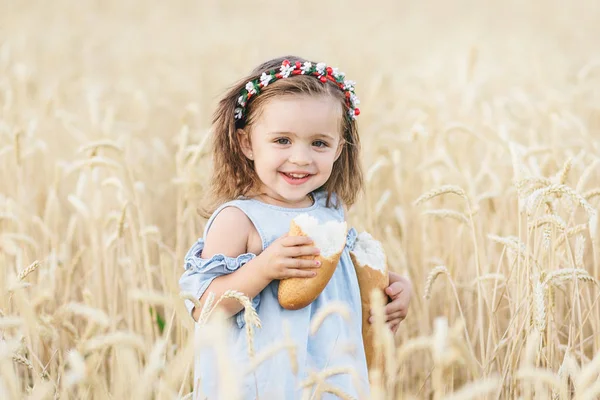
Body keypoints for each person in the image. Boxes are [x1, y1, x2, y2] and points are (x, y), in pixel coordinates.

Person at [179, 55, 412, 399]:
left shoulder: (330, 212)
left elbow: (343, 275)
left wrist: (394, 288)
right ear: (247, 143)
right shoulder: (239, 220)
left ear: (338, 149)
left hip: (329, 379)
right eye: (282, 141)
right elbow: (205, 308)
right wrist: (264, 267)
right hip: (262, 383)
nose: (301, 158)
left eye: (319, 143)